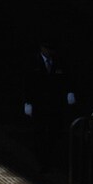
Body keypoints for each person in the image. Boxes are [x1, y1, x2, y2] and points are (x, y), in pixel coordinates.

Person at [23, 41, 77, 173]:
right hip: (38, 103)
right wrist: (27, 102)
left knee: (54, 131)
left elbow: (66, 78)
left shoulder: (59, 61)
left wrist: (69, 92)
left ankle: (49, 159)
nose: (50, 51)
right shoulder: (32, 62)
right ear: (42, 48)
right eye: (47, 48)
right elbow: (27, 82)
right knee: (39, 132)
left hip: (55, 103)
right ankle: (41, 161)